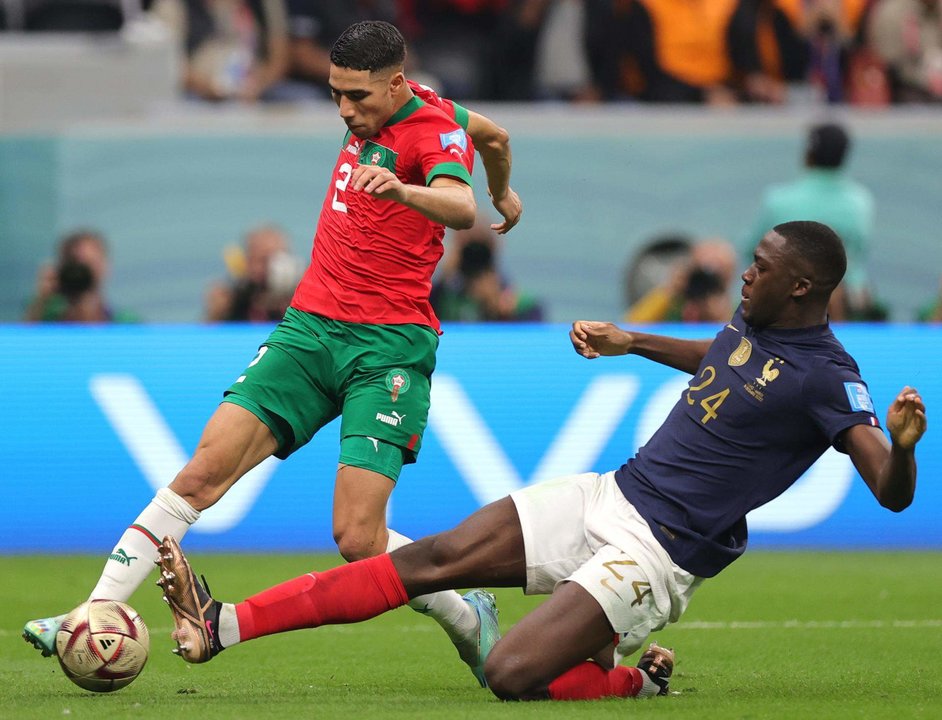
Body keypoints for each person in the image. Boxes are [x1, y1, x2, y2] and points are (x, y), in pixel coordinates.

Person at [154, 221, 925, 701]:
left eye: (761, 265)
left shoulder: (829, 375)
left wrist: (904, 447)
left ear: (801, 285)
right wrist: (632, 340)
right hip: (611, 492)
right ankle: (222, 626)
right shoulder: (752, 322)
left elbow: (888, 493)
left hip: (654, 555)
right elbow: (718, 356)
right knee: (436, 556)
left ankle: (627, 679)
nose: (746, 274)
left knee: (510, 674)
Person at [24, 20, 522, 689]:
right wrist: (507, 189)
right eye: (336, 94)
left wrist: (416, 192)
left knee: (357, 538)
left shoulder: (430, 132)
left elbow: (458, 207)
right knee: (202, 472)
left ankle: (468, 616)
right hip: (308, 331)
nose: (346, 111)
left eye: (358, 97)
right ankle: (94, 607)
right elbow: (497, 136)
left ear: (396, 84)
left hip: (388, 350)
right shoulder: (411, 106)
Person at [743, 122, 877, 320]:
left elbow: (752, 252)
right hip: (852, 302)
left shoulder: (778, 200)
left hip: (788, 303)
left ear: (808, 154)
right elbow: (860, 251)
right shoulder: (861, 201)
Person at [149, 0, 291, 103]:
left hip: (256, 88)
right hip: (197, 91)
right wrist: (208, 88)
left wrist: (258, 85)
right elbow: (168, 63)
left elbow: (279, 58)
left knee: (297, 98)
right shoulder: (173, 5)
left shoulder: (265, 5)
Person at [24, 229, 139, 323]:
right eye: (75, 263)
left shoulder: (125, 323)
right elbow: (24, 344)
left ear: (105, 267)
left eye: (89, 263)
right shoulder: (45, 318)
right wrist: (41, 300)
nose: (81, 272)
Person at [205, 224, 301, 322]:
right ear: (247, 262)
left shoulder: (302, 299)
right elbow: (208, 333)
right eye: (264, 260)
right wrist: (216, 314)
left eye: (280, 259)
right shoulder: (233, 301)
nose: (274, 268)